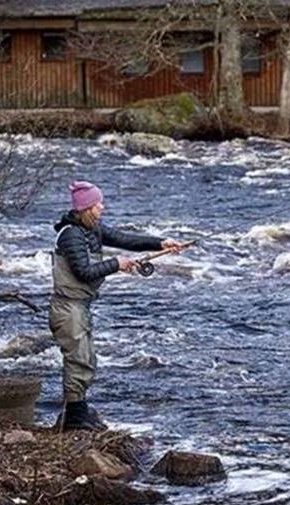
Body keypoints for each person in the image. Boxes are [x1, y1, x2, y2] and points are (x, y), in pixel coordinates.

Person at [49, 180, 187, 431]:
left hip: (79, 306)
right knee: (78, 360)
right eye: (97, 204)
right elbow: (83, 272)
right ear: (86, 208)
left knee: (86, 359)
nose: (102, 207)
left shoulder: (92, 229)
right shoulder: (71, 235)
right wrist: (117, 264)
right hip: (68, 307)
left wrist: (160, 243)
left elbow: (125, 239)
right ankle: (74, 419)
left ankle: (78, 412)